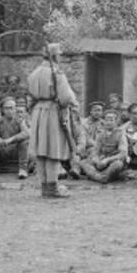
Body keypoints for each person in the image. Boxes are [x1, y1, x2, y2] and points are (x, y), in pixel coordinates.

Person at [26, 43, 79, 199]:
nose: (60, 57)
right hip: (52, 112)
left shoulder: (34, 73)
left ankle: (45, 187)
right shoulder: (57, 73)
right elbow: (66, 97)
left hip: (38, 112)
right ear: (55, 56)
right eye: (59, 55)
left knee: (41, 152)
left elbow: (30, 95)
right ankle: (53, 187)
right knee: (53, 151)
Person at [0, 96, 30, 178]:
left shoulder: (19, 120)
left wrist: (12, 139)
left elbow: (26, 133)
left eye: (11, 108)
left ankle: (23, 169)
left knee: (24, 141)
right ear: (2, 110)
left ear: (15, 109)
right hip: (2, 149)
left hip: (15, 150)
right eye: (6, 108)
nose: (9, 111)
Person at [80, 111, 130, 184]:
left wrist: (107, 160)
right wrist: (96, 160)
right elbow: (95, 151)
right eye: (106, 120)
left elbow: (123, 153)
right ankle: (100, 177)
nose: (108, 122)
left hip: (113, 160)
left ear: (116, 121)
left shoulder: (120, 134)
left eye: (111, 120)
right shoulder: (101, 134)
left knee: (118, 164)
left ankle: (97, 176)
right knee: (83, 162)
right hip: (102, 161)